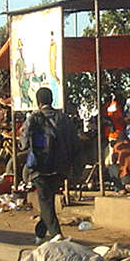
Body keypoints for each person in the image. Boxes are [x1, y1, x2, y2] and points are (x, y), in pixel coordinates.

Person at [20, 86, 82, 244]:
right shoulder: (64, 119)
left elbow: (24, 143)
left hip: (39, 167)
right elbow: (75, 144)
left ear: (38, 101)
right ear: (52, 100)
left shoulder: (33, 118)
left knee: (45, 201)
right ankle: (40, 235)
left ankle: (56, 234)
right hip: (60, 168)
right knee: (47, 201)